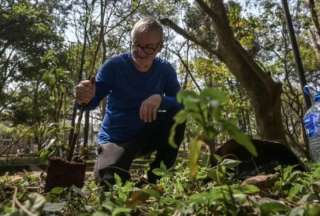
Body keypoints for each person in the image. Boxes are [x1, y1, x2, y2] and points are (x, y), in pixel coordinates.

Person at [75, 17, 185, 187]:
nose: (140, 52)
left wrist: (160, 99)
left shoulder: (165, 70)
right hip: (116, 138)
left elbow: (181, 102)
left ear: (159, 47)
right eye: (136, 45)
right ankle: (115, 171)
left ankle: (157, 179)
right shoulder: (113, 66)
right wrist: (84, 97)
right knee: (109, 184)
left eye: (148, 48)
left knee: (178, 115)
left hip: (147, 134)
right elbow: (92, 101)